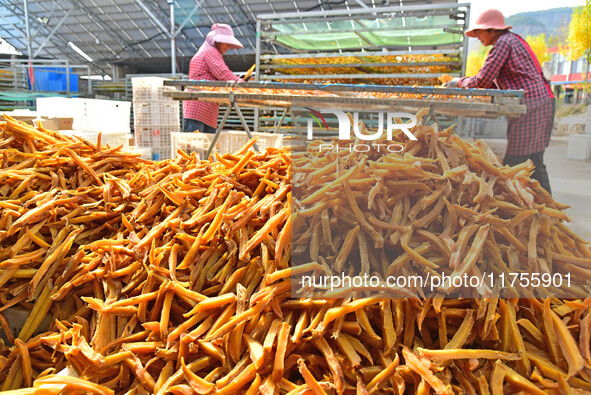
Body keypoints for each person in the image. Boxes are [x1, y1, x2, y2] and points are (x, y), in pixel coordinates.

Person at [446, 9, 555, 194]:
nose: (478, 37)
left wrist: (458, 82)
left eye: (479, 32)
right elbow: (497, 83)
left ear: (491, 30)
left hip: (532, 106)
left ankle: (507, 211)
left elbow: (483, 80)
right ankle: (548, 210)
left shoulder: (504, 43)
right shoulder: (513, 40)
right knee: (535, 162)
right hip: (543, 102)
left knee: (514, 164)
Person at [183, 23, 244, 134]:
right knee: (196, 141)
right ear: (218, 41)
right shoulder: (210, 51)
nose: (228, 47)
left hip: (206, 104)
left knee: (207, 143)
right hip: (199, 102)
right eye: (227, 43)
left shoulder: (210, 51)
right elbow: (222, 73)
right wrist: (241, 83)